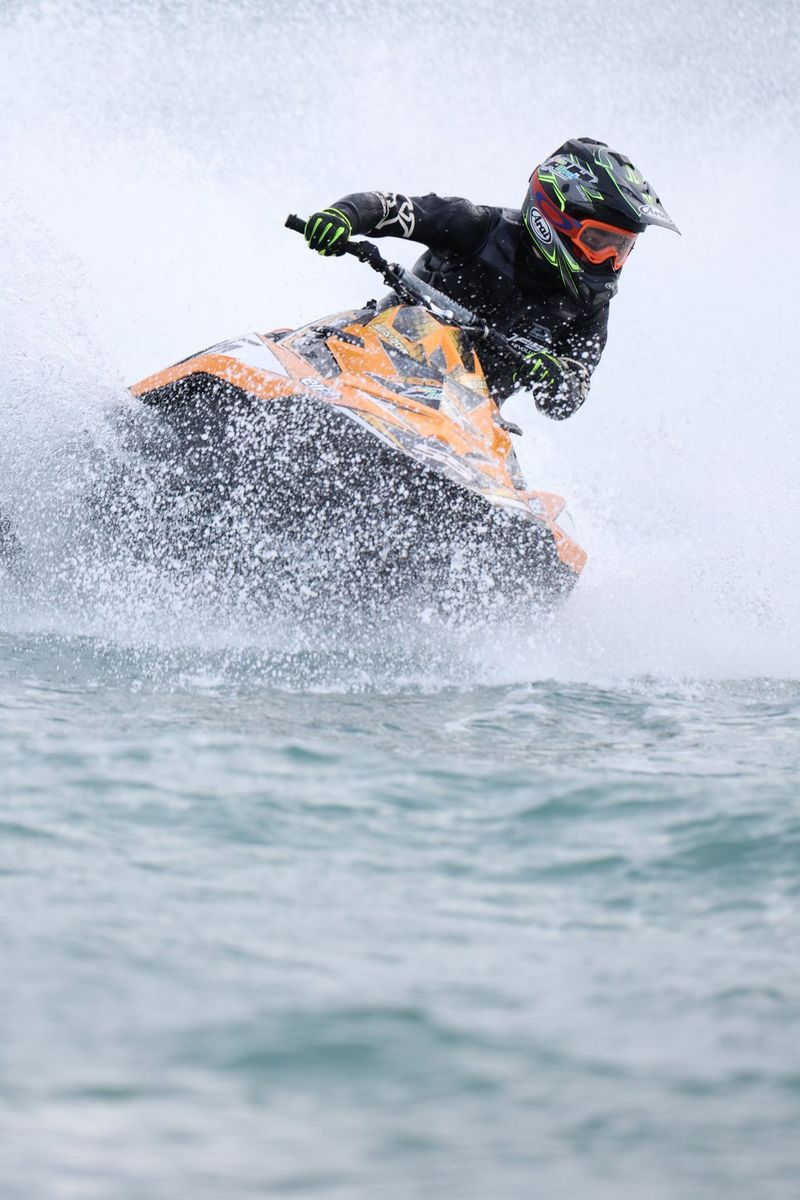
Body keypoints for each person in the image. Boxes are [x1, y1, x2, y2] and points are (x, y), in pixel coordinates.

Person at [304, 137, 678, 419]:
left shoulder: (589, 308)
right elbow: (388, 206)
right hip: (365, 362)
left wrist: (556, 378)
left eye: (622, 247)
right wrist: (343, 217)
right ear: (554, 217)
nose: (610, 259)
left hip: (460, 424)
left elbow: (568, 397)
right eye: (598, 241)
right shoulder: (475, 227)